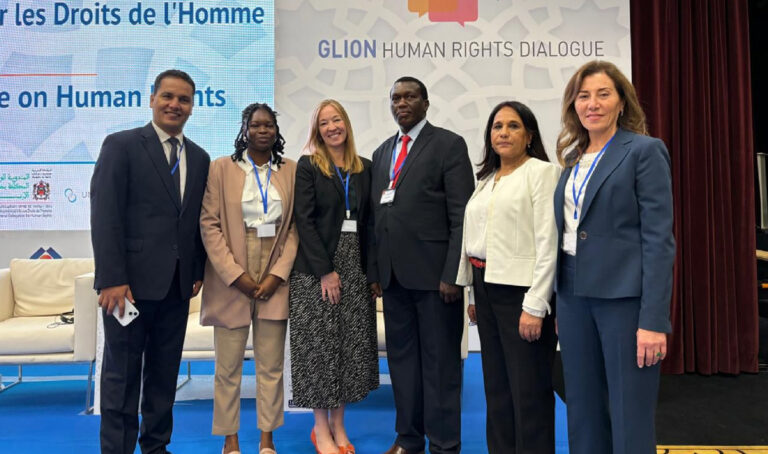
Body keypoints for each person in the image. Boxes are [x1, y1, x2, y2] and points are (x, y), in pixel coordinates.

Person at [553, 60, 675, 454]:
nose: (592, 104)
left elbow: (658, 240)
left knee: (629, 413)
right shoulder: (572, 158)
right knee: (582, 409)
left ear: (622, 102)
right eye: (583, 96)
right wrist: (558, 300)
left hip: (624, 302)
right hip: (573, 298)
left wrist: (653, 320)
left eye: (603, 94)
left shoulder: (644, 151)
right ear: (573, 105)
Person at [90, 69, 210, 454]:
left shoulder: (200, 157)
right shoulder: (122, 145)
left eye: (184, 99)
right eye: (168, 96)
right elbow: (105, 215)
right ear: (152, 99)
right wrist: (111, 278)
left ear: (192, 106)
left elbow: (196, 221)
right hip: (127, 288)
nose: (175, 105)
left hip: (176, 287)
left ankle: (156, 447)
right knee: (121, 376)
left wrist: (195, 270)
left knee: (164, 375)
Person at [368, 77, 474, 454]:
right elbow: (376, 219)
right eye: (395, 98)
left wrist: (453, 274)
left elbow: (462, 216)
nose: (401, 103)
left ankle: (444, 444)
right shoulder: (382, 152)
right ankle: (408, 439)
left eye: (410, 96)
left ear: (425, 103)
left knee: (440, 366)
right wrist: (375, 273)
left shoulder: (448, 145)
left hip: (436, 281)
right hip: (394, 280)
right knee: (403, 365)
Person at [456, 101, 560, 454]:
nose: (503, 132)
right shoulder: (486, 180)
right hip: (485, 288)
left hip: (522, 294)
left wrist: (536, 304)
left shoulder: (542, 173)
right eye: (497, 126)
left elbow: (549, 243)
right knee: (497, 389)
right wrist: (473, 295)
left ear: (529, 135)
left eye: (513, 126)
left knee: (529, 391)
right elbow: (477, 240)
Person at [199, 103, 298, 454]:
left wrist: (277, 275)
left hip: (274, 271)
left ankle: (267, 439)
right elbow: (209, 224)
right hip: (231, 273)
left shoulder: (290, 170)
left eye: (269, 125)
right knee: (227, 368)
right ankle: (230, 440)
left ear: (276, 130)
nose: (262, 130)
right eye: (255, 125)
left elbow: (295, 229)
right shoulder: (220, 168)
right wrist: (235, 275)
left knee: (271, 366)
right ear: (244, 129)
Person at [290, 99, 379, 454]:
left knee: (347, 349)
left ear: (346, 124)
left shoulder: (364, 167)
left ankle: (339, 426)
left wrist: (372, 273)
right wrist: (326, 271)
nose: (332, 127)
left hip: (355, 267)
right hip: (316, 271)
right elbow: (304, 220)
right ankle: (320, 428)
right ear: (317, 130)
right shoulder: (309, 166)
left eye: (336, 119)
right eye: (324, 123)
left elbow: (370, 223)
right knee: (320, 349)